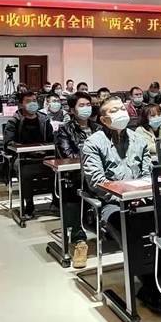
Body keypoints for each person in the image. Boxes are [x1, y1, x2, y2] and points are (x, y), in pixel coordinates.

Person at [82, 96, 161, 314]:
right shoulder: (93, 143)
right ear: (104, 119)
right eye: (114, 111)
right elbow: (97, 182)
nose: (121, 113)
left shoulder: (138, 140)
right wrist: (123, 198)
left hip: (141, 200)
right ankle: (152, 289)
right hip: (109, 205)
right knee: (134, 231)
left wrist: (139, 196)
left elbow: (147, 173)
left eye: (121, 109)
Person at [54, 91, 101, 268]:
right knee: (74, 196)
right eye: (81, 105)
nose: (86, 108)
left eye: (88, 105)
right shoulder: (65, 129)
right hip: (75, 176)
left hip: (98, 174)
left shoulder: (99, 128)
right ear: (73, 110)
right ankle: (79, 240)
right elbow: (68, 154)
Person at [3, 91, 55, 219]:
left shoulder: (44, 120)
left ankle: (56, 200)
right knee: (25, 171)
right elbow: (9, 143)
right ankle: (29, 204)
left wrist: (46, 150)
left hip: (44, 156)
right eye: (28, 101)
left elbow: (52, 140)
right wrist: (28, 151)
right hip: (23, 158)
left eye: (34, 101)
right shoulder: (14, 121)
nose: (32, 103)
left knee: (58, 169)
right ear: (21, 105)